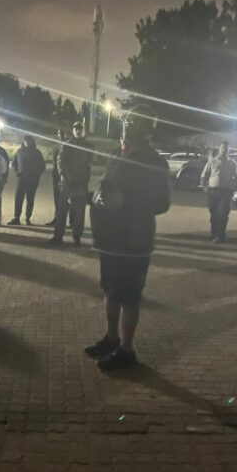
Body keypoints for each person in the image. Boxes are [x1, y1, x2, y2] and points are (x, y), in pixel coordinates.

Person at [85, 119, 171, 371]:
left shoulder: (155, 162)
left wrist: (127, 203)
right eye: (124, 129)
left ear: (144, 133)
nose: (125, 136)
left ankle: (127, 350)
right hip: (109, 238)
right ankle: (112, 339)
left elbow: (163, 203)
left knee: (130, 297)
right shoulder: (115, 154)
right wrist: (94, 197)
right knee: (110, 290)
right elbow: (106, 186)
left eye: (131, 129)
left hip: (134, 239)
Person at [49, 121, 92, 245]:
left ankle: (77, 236)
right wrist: (64, 175)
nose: (78, 131)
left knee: (79, 212)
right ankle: (58, 236)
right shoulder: (67, 145)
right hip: (67, 183)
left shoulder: (88, 146)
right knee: (62, 211)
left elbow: (88, 165)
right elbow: (60, 161)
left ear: (83, 131)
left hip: (81, 183)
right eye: (76, 129)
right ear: (73, 131)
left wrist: (84, 180)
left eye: (80, 129)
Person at [200, 141, 237, 243]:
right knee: (213, 214)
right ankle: (214, 234)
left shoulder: (233, 163)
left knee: (223, 214)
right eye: (222, 148)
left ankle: (221, 235)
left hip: (226, 193)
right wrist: (205, 187)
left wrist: (235, 188)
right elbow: (204, 175)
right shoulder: (212, 162)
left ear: (229, 151)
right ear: (219, 149)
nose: (224, 150)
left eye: (226, 149)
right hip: (213, 191)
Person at [7, 135, 46, 226]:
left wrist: (36, 175)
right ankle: (16, 217)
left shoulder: (37, 153)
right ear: (23, 142)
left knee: (30, 199)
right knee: (18, 198)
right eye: (25, 141)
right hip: (22, 179)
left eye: (29, 141)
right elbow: (14, 163)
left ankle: (28, 217)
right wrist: (17, 172)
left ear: (32, 142)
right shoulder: (19, 151)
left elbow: (42, 166)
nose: (27, 142)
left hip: (33, 180)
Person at [45, 129, 66, 226]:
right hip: (56, 175)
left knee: (67, 199)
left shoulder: (69, 146)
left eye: (62, 133)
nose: (60, 135)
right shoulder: (56, 147)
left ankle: (70, 221)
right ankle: (56, 218)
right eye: (59, 133)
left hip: (66, 176)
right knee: (57, 198)